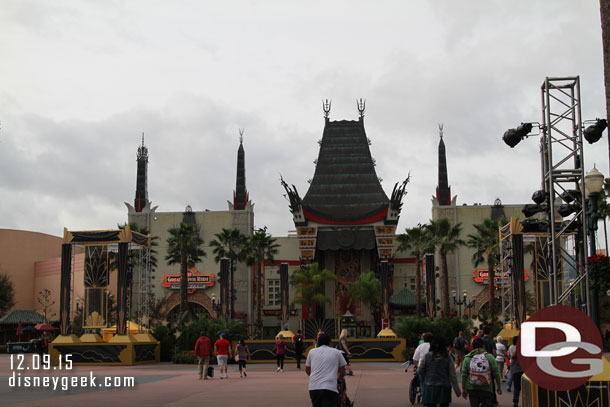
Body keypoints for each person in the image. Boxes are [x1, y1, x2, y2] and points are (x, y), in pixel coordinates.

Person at [418, 335, 461, 407]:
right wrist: (457, 391)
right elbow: (452, 375)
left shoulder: (427, 356)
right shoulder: (448, 358)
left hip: (430, 386)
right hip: (444, 387)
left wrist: (424, 380)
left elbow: (420, 371)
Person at [306, 333, 347, 407]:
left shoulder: (311, 352)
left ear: (318, 342)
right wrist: (337, 379)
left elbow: (307, 370)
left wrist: (315, 377)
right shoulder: (336, 352)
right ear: (330, 342)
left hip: (314, 387)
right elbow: (343, 371)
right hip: (329, 388)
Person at [461, 338, 502, 407]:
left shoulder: (467, 358)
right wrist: (499, 386)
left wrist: (463, 388)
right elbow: (496, 373)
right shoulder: (489, 357)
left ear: (472, 346)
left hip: (472, 388)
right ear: (483, 346)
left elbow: (464, 374)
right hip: (487, 388)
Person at [508, 336, 523, 407]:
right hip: (522, 370)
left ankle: (515, 401)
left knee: (516, 387)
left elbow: (510, 357)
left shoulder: (511, 348)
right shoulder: (521, 349)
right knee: (524, 387)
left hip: (515, 370)